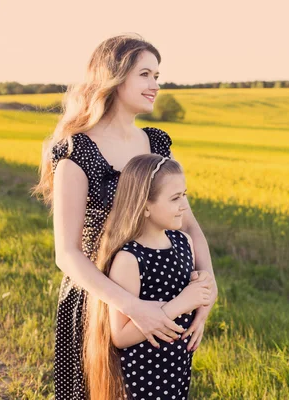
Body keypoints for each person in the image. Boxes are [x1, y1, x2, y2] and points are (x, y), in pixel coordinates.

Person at [32, 34, 218, 400]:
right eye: (145, 74)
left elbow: (189, 223)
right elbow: (66, 254)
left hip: (160, 294)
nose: (156, 85)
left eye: (157, 75)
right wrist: (133, 308)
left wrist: (207, 284)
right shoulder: (77, 149)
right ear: (114, 78)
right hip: (101, 302)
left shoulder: (155, 143)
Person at [84, 154, 213, 400]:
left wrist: (201, 288)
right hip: (142, 377)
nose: (184, 205)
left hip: (177, 368)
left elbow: (189, 293)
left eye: (184, 194)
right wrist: (181, 304)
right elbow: (120, 336)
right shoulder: (130, 259)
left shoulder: (183, 243)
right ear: (144, 205)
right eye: (175, 198)